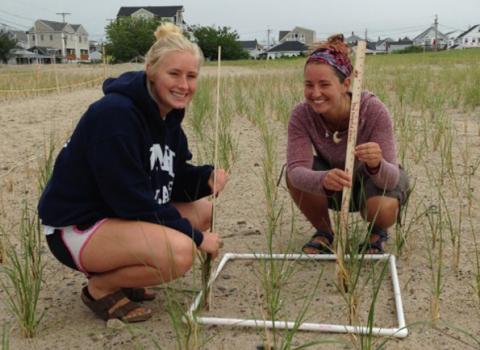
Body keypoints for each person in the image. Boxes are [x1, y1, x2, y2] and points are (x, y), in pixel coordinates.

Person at [38, 23, 227, 323]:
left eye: (191, 76)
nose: (184, 84)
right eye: (174, 74)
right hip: (76, 227)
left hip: (116, 215)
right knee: (181, 251)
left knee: (202, 211)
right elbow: (132, 200)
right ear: (151, 71)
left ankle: (127, 277)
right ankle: (101, 288)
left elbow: (170, 181)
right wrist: (197, 238)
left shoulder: (168, 117)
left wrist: (205, 178)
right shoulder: (115, 115)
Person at [286, 34, 409, 255]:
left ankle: (377, 233)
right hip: (334, 182)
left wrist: (376, 164)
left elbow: (391, 178)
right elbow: (296, 172)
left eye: (324, 84)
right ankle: (325, 232)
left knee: (383, 209)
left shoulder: (372, 110)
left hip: (371, 182)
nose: (315, 93)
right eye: (308, 85)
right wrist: (323, 179)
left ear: (345, 84)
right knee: (295, 173)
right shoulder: (301, 115)